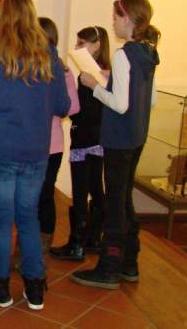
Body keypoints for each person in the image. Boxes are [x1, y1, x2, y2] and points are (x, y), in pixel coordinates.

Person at [0, 0, 70, 311]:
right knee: (28, 216)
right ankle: (35, 286)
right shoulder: (49, 56)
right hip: (36, 150)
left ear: (3, 18)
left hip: (0, 148)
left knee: (0, 219)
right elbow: (63, 105)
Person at [72, 0, 159, 290]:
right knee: (124, 199)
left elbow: (120, 104)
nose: (113, 22)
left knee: (114, 203)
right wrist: (111, 79)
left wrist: (95, 85)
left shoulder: (124, 55)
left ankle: (109, 267)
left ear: (128, 19)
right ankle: (129, 262)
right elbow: (150, 99)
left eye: (116, 17)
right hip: (137, 136)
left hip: (119, 138)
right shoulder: (148, 52)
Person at [10, 17, 79, 270]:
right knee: (27, 197)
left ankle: (41, 247)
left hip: (49, 145)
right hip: (31, 143)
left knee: (43, 196)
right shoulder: (27, 67)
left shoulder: (62, 71)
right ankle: (24, 247)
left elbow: (73, 107)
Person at [51, 26, 110, 261]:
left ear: (97, 45)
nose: (77, 48)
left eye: (82, 43)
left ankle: (77, 243)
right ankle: (93, 238)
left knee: (81, 189)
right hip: (98, 137)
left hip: (86, 137)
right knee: (95, 187)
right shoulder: (106, 73)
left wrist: (70, 108)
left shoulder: (91, 75)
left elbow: (83, 110)